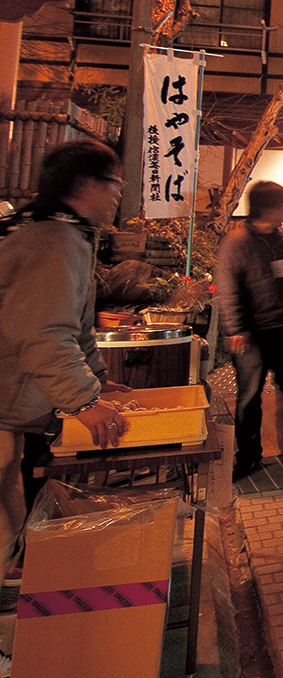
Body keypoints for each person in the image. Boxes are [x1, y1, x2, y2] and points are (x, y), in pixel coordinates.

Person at [0, 140, 133, 605]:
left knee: (13, 524)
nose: (119, 193)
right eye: (114, 183)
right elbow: (43, 332)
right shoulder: (51, 240)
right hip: (4, 403)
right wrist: (85, 401)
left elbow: (73, 325)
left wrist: (97, 379)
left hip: (11, 407)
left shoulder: (56, 230)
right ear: (86, 185)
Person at [218, 180, 283, 477]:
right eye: (281, 206)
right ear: (264, 207)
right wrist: (234, 329)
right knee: (248, 398)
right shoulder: (237, 241)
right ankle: (248, 456)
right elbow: (227, 288)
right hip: (251, 333)